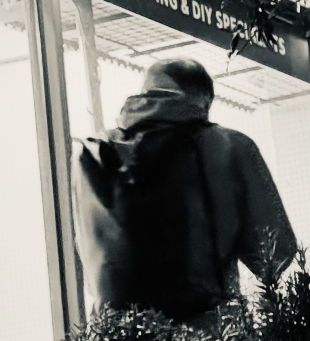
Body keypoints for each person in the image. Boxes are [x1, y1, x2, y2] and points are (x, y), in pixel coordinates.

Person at [74, 57, 297, 323]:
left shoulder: (95, 153)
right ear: (203, 103)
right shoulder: (231, 146)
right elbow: (275, 254)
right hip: (209, 339)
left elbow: (90, 262)